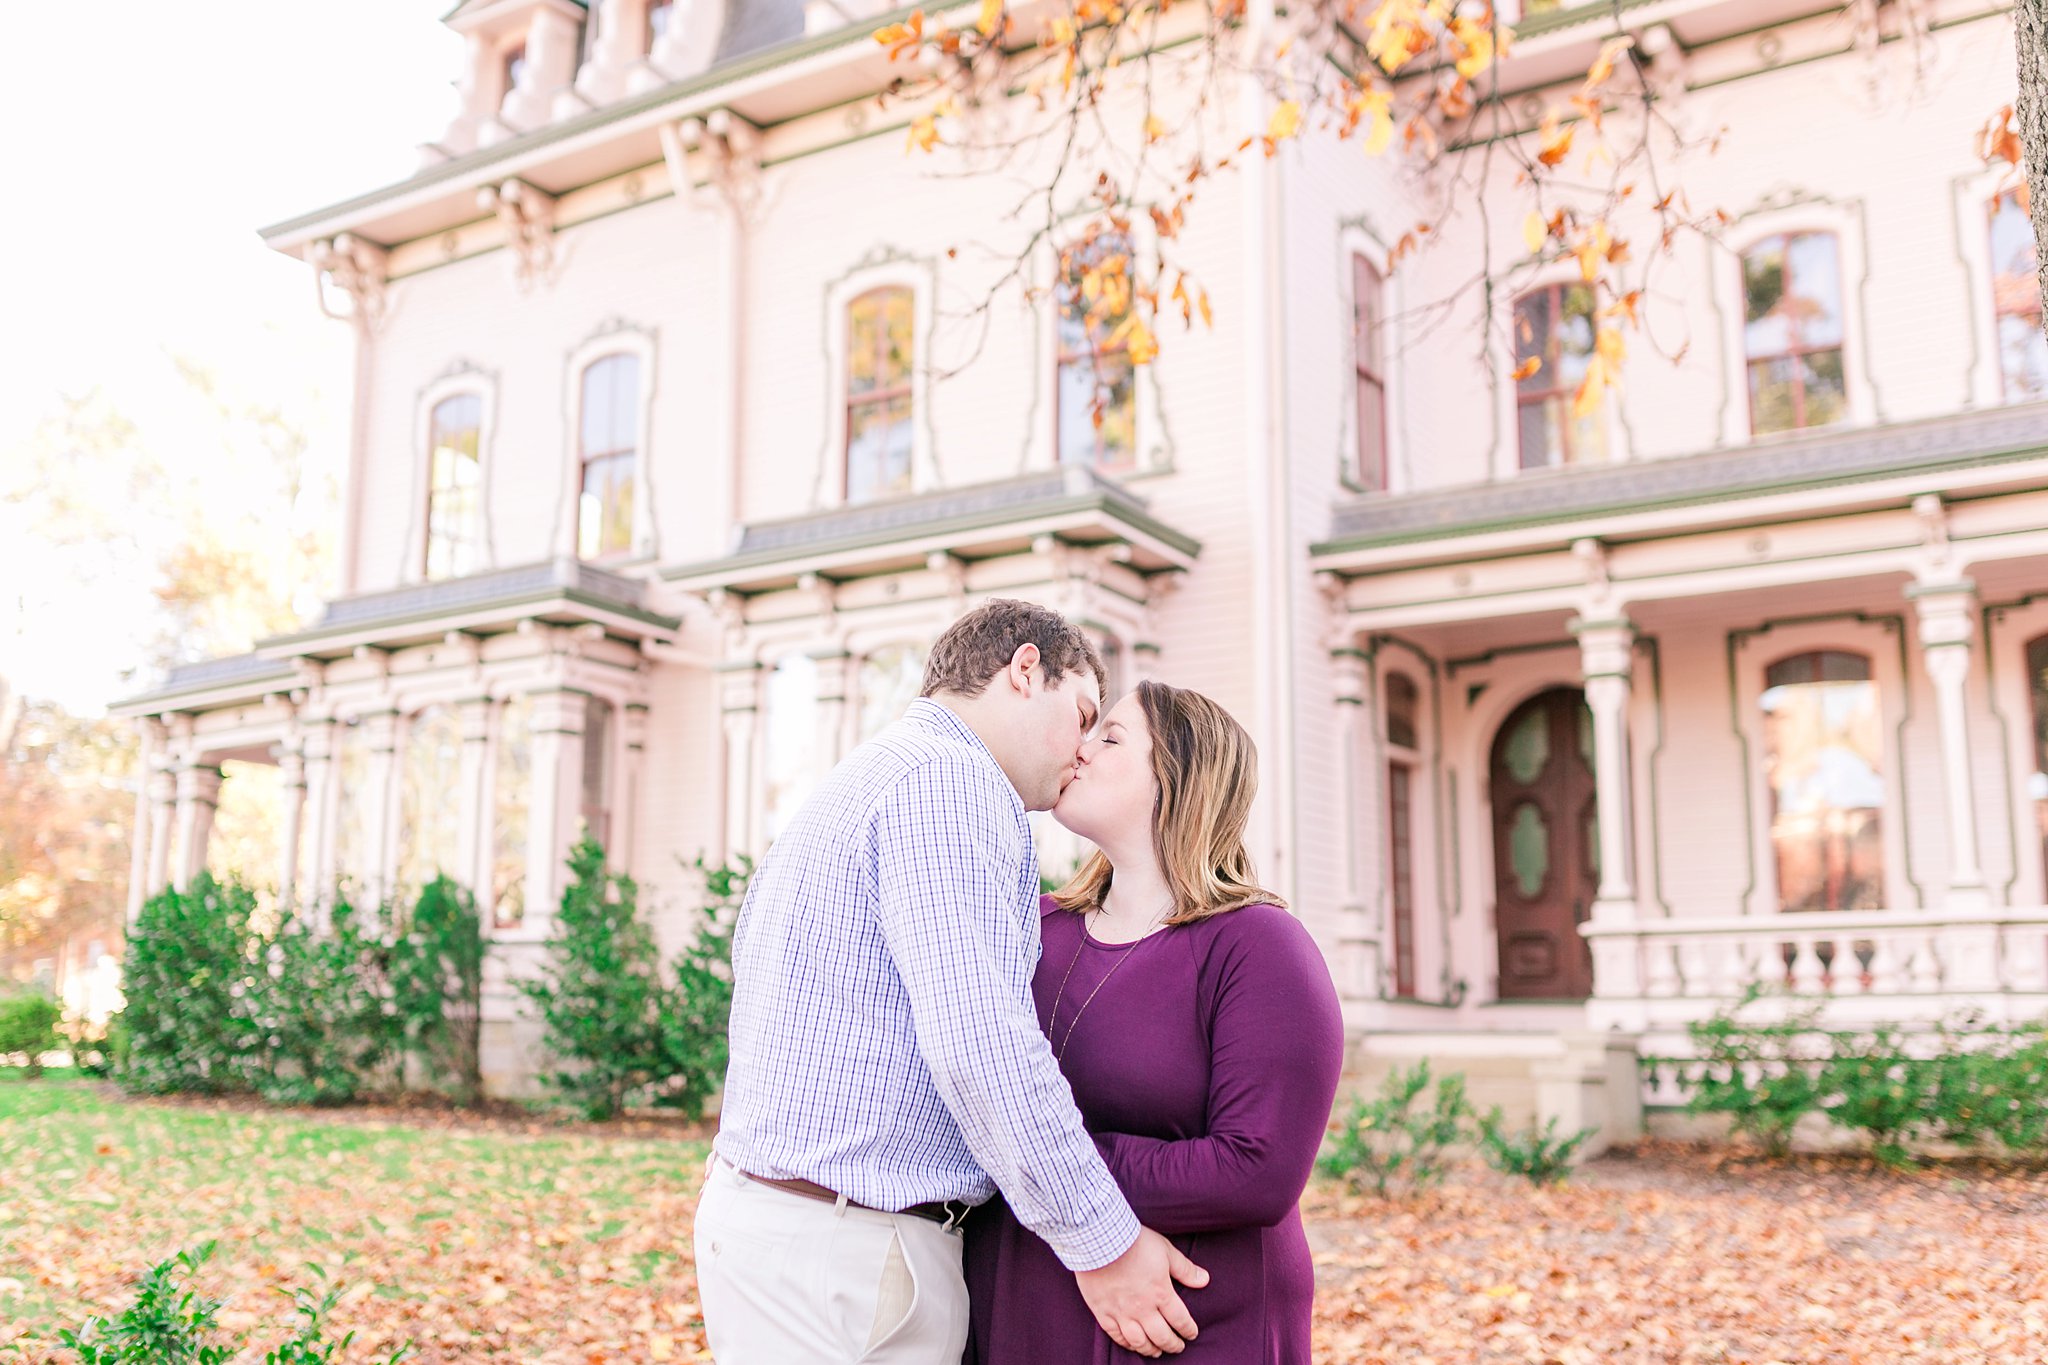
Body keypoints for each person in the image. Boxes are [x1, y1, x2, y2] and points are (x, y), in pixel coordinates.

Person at [696, 599, 1209, 1363]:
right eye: (1083, 713)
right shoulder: (952, 782)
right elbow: (981, 1043)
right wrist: (1102, 1243)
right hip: (849, 1258)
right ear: (1025, 670)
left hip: (790, 1233)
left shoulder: (875, 774)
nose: (1083, 750)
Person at [964, 680, 1345, 1364]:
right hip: (1023, 1302)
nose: (1079, 747)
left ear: (1181, 779)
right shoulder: (1030, 926)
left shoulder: (1258, 945)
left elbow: (1257, 1167)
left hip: (1194, 1316)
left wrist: (1040, 1158)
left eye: (1110, 737)